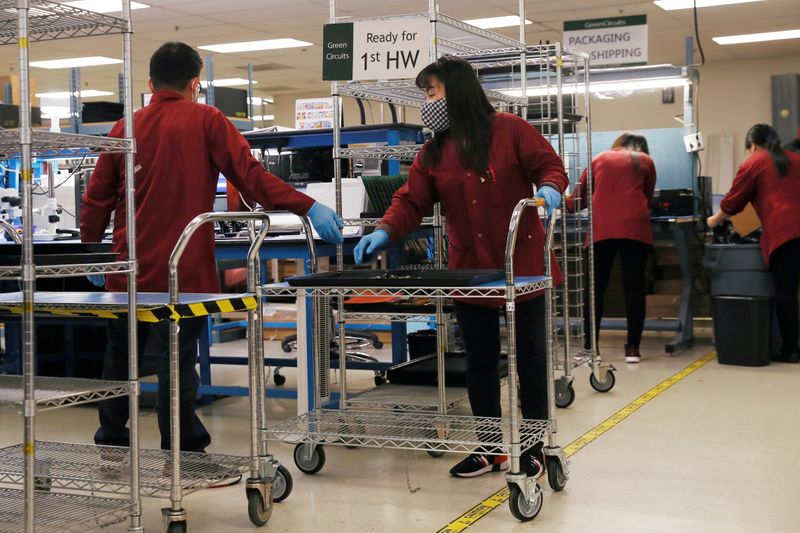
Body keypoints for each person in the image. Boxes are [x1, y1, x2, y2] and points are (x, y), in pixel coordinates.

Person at [80, 42, 343, 480]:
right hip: (184, 273)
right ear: (195, 81)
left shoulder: (125, 128)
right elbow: (252, 179)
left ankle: (111, 445)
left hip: (125, 269)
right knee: (176, 363)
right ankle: (181, 456)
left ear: (149, 84)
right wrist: (306, 206)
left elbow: (96, 199)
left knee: (119, 357)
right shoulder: (207, 120)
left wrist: (93, 251)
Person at [352, 56, 568, 479]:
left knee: (530, 360)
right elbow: (411, 200)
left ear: (458, 89)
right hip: (469, 270)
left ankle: (535, 446)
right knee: (480, 361)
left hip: (521, 266)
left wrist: (549, 189)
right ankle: (490, 450)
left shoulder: (510, 130)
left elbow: (549, 166)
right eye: (425, 94)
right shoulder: (434, 152)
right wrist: (384, 229)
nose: (427, 100)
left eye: (431, 91)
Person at [708, 124, 800, 363]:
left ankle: (790, 349)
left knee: (785, 291)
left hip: (786, 233)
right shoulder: (795, 158)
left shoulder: (754, 162)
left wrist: (713, 220)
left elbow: (734, 201)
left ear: (753, 145)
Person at [566, 133, 656, 364]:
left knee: (595, 289)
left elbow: (578, 201)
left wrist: (558, 199)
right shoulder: (646, 161)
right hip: (636, 228)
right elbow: (647, 196)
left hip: (602, 229)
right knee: (634, 289)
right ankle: (633, 349)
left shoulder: (599, 159)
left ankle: (590, 349)